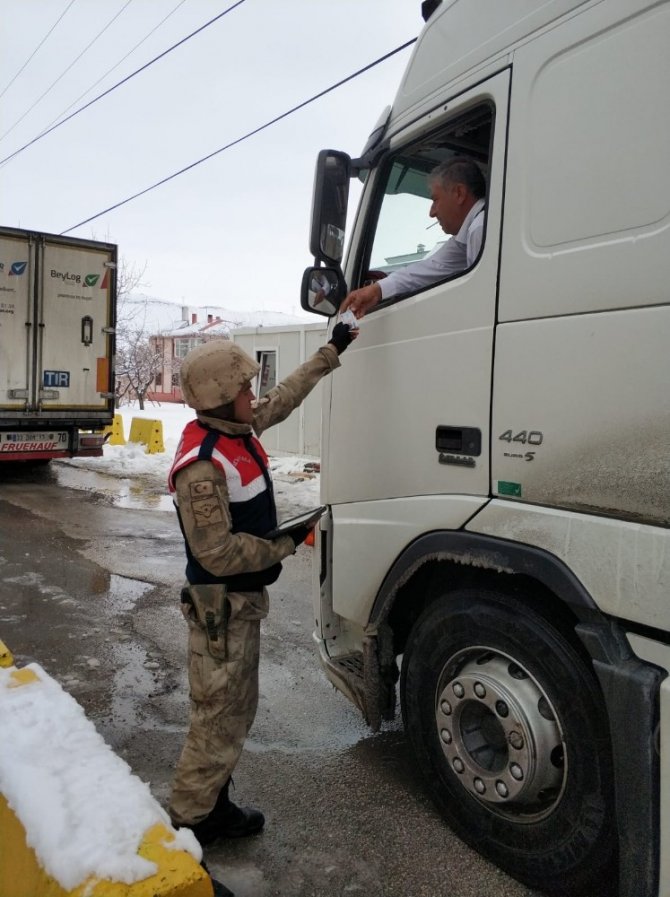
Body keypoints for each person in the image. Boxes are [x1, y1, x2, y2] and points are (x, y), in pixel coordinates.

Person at [167, 323, 356, 855]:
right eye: (246, 389)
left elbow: (286, 397)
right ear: (222, 400)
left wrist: (332, 348)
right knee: (217, 717)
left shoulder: (237, 430)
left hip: (240, 606)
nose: (256, 396)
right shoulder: (202, 465)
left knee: (233, 711)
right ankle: (188, 835)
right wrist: (284, 543)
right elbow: (217, 553)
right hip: (219, 612)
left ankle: (215, 807)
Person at [341, 157, 486, 318]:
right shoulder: (468, 236)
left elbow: (482, 302)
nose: (432, 212)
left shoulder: (480, 229)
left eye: (435, 200)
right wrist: (377, 290)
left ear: (459, 193)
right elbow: (428, 269)